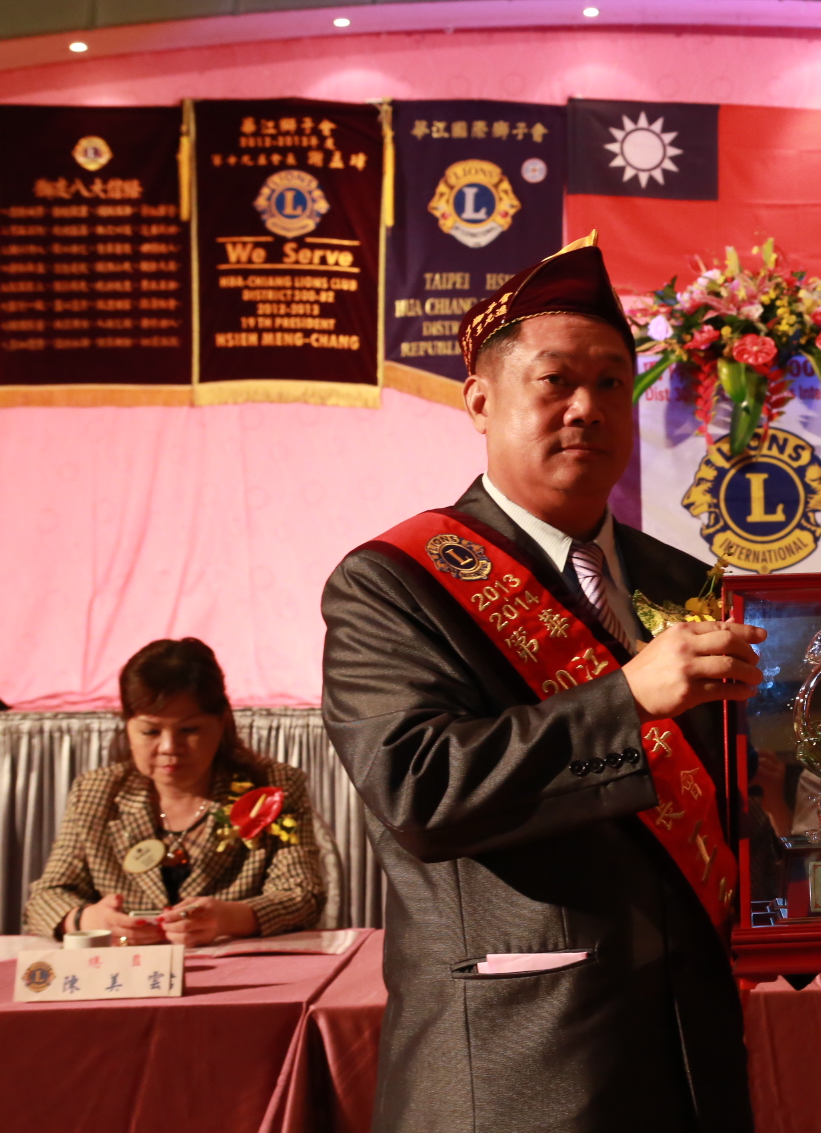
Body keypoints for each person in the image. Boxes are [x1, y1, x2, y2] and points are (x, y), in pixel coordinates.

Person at [321, 234, 764, 1133]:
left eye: (611, 384)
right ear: (481, 401)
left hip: (692, 1060)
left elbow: (735, 797)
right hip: (518, 1067)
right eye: (555, 381)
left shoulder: (686, 581)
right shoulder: (394, 582)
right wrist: (624, 700)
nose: (587, 408)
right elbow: (419, 790)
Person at [23, 637, 323, 945]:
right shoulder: (97, 792)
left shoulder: (271, 787)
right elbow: (46, 898)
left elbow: (303, 896)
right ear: (128, 727)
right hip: (130, 967)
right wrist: (86, 920)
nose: (169, 747)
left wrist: (229, 918)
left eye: (189, 730)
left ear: (222, 722)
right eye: (151, 731)